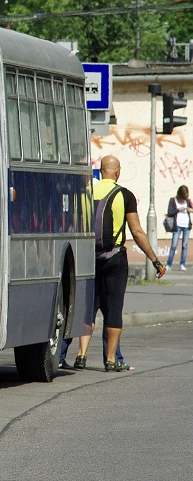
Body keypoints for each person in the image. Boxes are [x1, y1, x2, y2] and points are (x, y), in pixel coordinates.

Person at [75, 155, 165, 373]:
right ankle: (111, 359)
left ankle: (81, 355)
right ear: (117, 171)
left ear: (101, 170)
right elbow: (137, 231)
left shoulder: (86, 192)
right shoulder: (124, 195)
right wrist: (155, 260)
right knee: (114, 309)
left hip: (89, 258)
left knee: (89, 307)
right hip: (115, 258)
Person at [165, 184, 191, 271]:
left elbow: (191, 209)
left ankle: (182, 264)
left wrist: (189, 209)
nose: (184, 199)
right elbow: (169, 213)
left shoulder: (187, 201)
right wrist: (178, 210)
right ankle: (169, 264)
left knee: (184, 245)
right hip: (177, 225)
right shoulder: (173, 200)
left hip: (186, 225)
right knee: (174, 245)